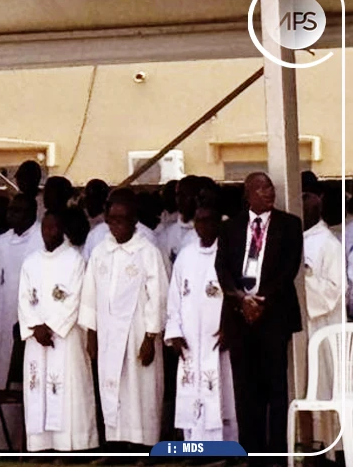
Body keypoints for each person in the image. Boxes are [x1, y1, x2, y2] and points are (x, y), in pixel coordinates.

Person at [216, 173, 302, 453]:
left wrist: (261, 300)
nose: (269, 192)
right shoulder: (231, 228)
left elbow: (288, 270)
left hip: (274, 315)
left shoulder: (289, 225)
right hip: (240, 317)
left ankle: (276, 450)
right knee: (245, 388)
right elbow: (223, 269)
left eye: (270, 187)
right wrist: (242, 300)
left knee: (275, 387)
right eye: (262, 188)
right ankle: (251, 451)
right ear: (248, 193)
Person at [80, 189, 167, 448]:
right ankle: (117, 444)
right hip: (107, 335)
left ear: (134, 220)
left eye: (122, 219)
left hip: (138, 334)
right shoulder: (100, 253)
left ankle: (144, 445)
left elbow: (158, 296)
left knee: (140, 391)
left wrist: (151, 336)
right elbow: (89, 295)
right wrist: (91, 334)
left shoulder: (147, 252)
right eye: (112, 219)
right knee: (113, 388)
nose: (116, 225)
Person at [18, 210, 98, 452]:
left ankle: (71, 447)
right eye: (45, 227)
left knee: (67, 390)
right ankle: (41, 446)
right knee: (38, 389)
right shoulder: (31, 261)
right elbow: (23, 299)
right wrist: (35, 327)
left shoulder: (75, 260)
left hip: (64, 338)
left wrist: (51, 327)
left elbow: (75, 298)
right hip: (36, 339)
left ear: (62, 230)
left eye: (53, 228)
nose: (48, 232)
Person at [164, 204, 237, 441]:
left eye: (208, 221)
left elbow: (237, 295)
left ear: (219, 223)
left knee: (224, 392)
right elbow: (174, 295)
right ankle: (195, 446)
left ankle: (226, 446)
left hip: (219, 338)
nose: (203, 226)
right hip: (190, 340)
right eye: (199, 221)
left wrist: (230, 328)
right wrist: (174, 331)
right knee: (191, 392)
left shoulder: (229, 254)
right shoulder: (186, 255)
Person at [0, 193, 42, 449]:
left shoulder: (42, 238)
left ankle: (30, 443)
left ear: (33, 212)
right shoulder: (1, 242)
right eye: (12, 210)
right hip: (5, 318)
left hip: (32, 321)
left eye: (19, 210)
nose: (13, 215)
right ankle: (3, 443)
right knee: (3, 379)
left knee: (31, 383)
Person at [301, 192, 343, 448]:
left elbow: (332, 292)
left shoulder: (328, 244)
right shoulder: (296, 240)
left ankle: (331, 449)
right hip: (301, 330)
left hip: (323, 327)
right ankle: (306, 444)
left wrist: (303, 278)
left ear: (316, 212)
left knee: (327, 387)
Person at [158, 176, 201, 265]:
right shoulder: (167, 234)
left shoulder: (210, 231)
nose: (180, 200)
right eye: (178, 195)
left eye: (185, 195)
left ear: (197, 198)